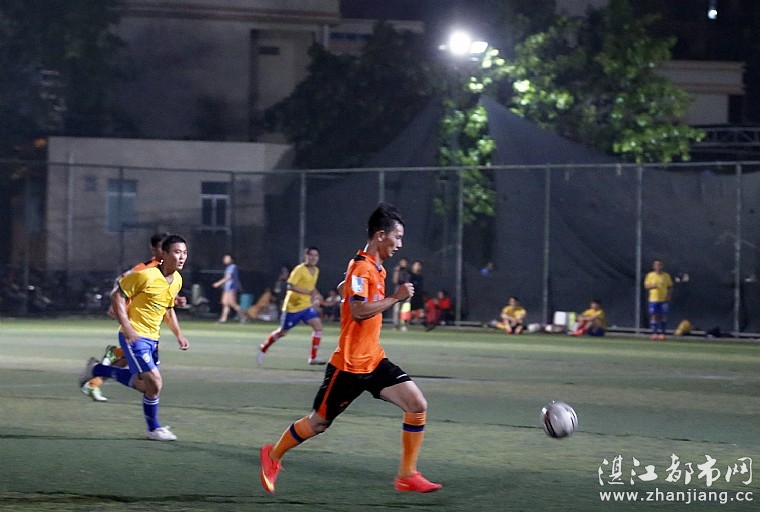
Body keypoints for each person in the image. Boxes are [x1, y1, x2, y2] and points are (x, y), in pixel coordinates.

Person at [259, 202, 442, 495]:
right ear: (381, 235)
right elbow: (357, 311)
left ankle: (407, 474)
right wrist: (395, 298)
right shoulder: (362, 266)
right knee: (318, 423)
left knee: (417, 405)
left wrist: (348, 288)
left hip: (374, 360)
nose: (400, 244)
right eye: (397, 237)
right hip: (348, 366)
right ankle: (273, 455)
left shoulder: (375, 268)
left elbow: (348, 288)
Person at [77, 234, 190, 441]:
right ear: (164, 254)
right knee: (155, 383)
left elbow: (167, 308)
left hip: (153, 339)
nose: (182, 256)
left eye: (184, 252)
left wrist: (179, 334)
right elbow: (117, 295)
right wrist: (127, 326)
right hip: (135, 336)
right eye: (177, 252)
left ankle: (98, 369)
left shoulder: (177, 280)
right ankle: (154, 429)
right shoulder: (145, 275)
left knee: (144, 386)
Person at [258, 246, 326, 365]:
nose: (314, 258)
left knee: (318, 327)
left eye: (316, 255)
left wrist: (317, 295)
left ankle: (313, 357)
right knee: (282, 332)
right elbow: (290, 286)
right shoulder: (299, 270)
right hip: (292, 307)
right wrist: (307, 292)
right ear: (306, 256)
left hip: (306, 306)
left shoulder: (316, 270)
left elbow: (311, 286)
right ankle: (264, 347)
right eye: (311, 255)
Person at [212, 253, 247, 323]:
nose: (225, 260)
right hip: (227, 288)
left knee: (232, 303)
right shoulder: (228, 268)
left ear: (231, 260)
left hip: (231, 288)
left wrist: (218, 283)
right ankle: (223, 319)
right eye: (225, 258)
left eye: (227, 258)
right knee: (225, 303)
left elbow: (228, 277)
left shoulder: (233, 267)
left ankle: (244, 316)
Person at [644, 258, 673, 340]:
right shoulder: (650, 275)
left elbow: (670, 287)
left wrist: (668, 296)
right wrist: (652, 286)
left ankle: (663, 333)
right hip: (653, 299)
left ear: (662, 266)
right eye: (656, 265)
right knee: (654, 315)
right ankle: (654, 333)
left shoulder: (666, 276)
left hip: (663, 300)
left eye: (659, 265)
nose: (658, 266)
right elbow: (646, 286)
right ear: (654, 266)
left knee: (663, 315)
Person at [391, 257, 411, 330]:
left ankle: (404, 325)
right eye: (401, 262)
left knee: (405, 308)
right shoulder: (398, 270)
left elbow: (409, 280)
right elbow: (395, 281)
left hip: (407, 288)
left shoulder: (408, 271)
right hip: (399, 288)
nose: (402, 263)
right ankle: (395, 325)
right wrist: (396, 271)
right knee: (396, 308)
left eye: (404, 262)